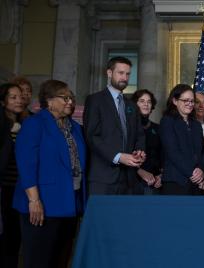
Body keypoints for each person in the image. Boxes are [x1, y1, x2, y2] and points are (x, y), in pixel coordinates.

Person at [13, 80, 86, 268]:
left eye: (72, 98)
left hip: (70, 204)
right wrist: (34, 200)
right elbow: (26, 165)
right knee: (39, 261)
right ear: (49, 100)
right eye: (65, 98)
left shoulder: (76, 128)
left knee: (61, 260)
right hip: (42, 204)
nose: (70, 101)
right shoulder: (34, 124)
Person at [83, 56, 146, 195]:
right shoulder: (95, 100)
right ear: (109, 73)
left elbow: (139, 134)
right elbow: (92, 136)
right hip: (102, 177)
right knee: (102, 217)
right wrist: (118, 156)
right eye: (120, 73)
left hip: (128, 179)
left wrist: (140, 151)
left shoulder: (132, 106)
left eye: (128, 74)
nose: (124, 77)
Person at [160, 84, 204, 195]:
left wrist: (201, 170)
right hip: (176, 182)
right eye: (186, 100)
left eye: (192, 101)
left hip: (197, 183)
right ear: (175, 101)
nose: (190, 104)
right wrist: (192, 173)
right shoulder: (167, 121)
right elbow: (173, 152)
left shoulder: (196, 125)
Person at [0, 83, 24, 268]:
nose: (19, 100)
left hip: (19, 187)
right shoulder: (3, 124)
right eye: (13, 97)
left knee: (14, 237)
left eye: (20, 96)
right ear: (3, 101)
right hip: (3, 187)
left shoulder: (25, 123)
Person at [131, 89, 162, 194]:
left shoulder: (158, 128)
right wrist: (139, 171)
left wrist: (161, 175)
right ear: (135, 104)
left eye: (149, 102)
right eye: (142, 101)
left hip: (156, 183)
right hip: (133, 181)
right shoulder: (128, 128)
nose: (146, 104)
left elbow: (163, 155)